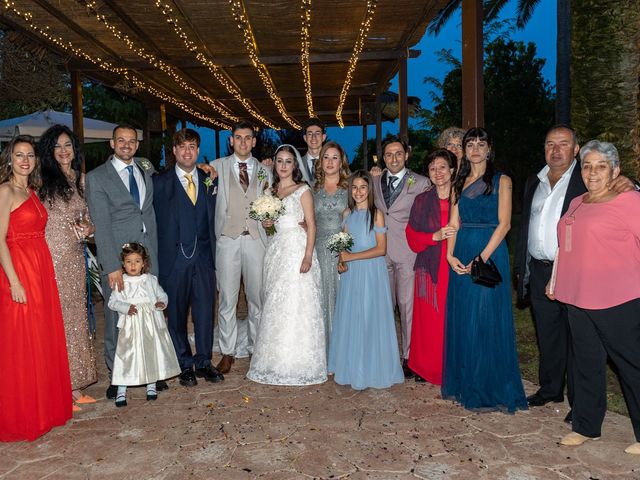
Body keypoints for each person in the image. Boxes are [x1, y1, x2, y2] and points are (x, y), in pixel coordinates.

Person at [513, 125, 635, 420]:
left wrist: (631, 182)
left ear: (576, 149)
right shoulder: (535, 181)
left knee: (579, 339)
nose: (555, 150)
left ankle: (579, 402)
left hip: (577, 271)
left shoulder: (585, 181)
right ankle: (550, 388)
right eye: (550, 144)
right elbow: (527, 224)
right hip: (542, 269)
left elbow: (622, 195)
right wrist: (522, 267)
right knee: (549, 334)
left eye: (563, 144)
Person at [547, 141, 640, 454]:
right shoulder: (577, 201)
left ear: (615, 170)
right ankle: (587, 426)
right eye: (587, 165)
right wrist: (556, 279)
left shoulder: (629, 201)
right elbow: (566, 246)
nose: (592, 172)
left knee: (632, 365)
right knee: (586, 364)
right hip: (577, 297)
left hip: (619, 299)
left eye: (601, 165)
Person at [442, 127, 527, 413]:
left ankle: (488, 388)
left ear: (489, 148)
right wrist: (449, 254)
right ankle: (464, 383)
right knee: (465, 319)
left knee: (485, 319)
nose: (475, 149)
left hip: (489, 252)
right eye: (470, 144)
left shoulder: (502, 180)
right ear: (464, 150)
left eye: (481, 144)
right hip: (462, 250)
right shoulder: (459, 180)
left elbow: (505, 224)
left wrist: (481, 258)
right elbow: (454, 221)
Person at [0, 135, 72, 441]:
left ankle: (46, 407)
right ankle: (24, 415)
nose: (25, 160)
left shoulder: (31, 191)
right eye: (19, 155)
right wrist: (14, 281)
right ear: (9, 159)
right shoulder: (4, 191)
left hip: (40, 269)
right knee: (22, 343)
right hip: (19, 271)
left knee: (41, 339)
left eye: (30, 155)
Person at [86, 124, 161, 399]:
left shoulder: (145, 169)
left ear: (137, 145)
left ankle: (151, 370)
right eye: (121, 140)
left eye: (131, 141)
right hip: (117, 258)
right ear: (111, 143)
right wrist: (111, 266)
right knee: (118, 318)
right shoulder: (98, 177)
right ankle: (117, 376)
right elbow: (102, 225)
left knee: (149, 314)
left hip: (149, 255)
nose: (126, 145)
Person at [247, 145, 326, 385]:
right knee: (275, 303)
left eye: (288, 161)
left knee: (297, 302)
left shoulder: (303, 190)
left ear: (295, 165)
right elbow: (270, 228)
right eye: (279, 161)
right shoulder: (270, 191)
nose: (283, 166)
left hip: (296, 249)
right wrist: (268, 222)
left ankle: (298, 361)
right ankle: (274, 358)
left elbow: (311, 224)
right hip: (276, 251)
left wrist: (308, 256)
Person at [153, 128, 223, 386]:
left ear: (197, 150)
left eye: (192, 146)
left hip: (204, 257)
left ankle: (204, 361)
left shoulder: (210, 179)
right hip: (174, 260)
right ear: (173, 151)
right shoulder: (158, 182)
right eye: (182, 147)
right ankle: (184, 364)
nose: (187, 151)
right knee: (177, 313)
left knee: (206, 312)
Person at [38, 125, 98, 410]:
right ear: (50, 151)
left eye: (68, 145)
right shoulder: (40, 180)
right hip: (48, 257)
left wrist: (90, 229)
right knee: (55, 322)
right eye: (57, 146)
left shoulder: (82, 180)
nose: (64, 151)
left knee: (76, 321)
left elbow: (91, 220)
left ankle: (74, 384)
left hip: (75, 258)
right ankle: (57, 385)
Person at [329, 170, 404, 390]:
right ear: (349, 190)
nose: (358, 192)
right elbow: (344, 245)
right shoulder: (346, 214)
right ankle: (353, 367)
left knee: (370, 316)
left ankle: (373, 368)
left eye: (363, 187)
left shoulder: (377, 214)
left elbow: (381, 249)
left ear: (369, 190)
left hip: (372, 272)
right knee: (353, 317)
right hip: (352, 274)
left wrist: (352, 257)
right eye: (354, 187)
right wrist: (342, 261)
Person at [210, 120, 272, 374]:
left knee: (257, 297)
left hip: (257, 241)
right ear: (231, 140)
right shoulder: (216, 167)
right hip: (228, 239)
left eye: (248, 138)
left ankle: (257, 349)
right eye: (238, 137)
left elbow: (271, 205)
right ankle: (228, 352)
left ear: (254, 141)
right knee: (227, 299)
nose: (243, 142)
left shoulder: (265, 171)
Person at [372, 136, 430, 378]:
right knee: (384, 307)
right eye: (388, 154)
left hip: (408, 253)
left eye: (398, 153)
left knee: (407, 307)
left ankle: (408, 357)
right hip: (380, 253)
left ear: (407, 154)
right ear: (382, 158)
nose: (393, 158)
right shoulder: (374, 179)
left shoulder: (421, 182)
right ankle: (386, 354)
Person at [405, 149, 457, 385]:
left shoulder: (463, 197)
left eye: (442, 167)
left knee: (452, 318)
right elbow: (411, 237)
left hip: (455, 266)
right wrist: (433, 236)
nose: (438, 172)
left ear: (453, 170)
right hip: (429, 268)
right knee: (429, 321)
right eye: (432, 168)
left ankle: (452, 367)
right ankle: (426, 368)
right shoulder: (422, 200)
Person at [108, 243, 181, 407]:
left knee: (150, 352)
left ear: (144, 263)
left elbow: (161, 294)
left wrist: (161, 303)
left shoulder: (150, 280)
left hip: (149, 323)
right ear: (123, 263)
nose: (133, 265)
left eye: (137, 261)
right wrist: (125, 307)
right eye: (129, 261)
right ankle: (121, 389)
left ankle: (151, 385)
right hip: (131, 324)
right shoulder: (122, 281)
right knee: (127, 355)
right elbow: (113, 302)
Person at [313, 141, 350, 347]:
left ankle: (343, 349)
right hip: (318, 250)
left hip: (342, 250)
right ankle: (324, 350)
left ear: (341, 162)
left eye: (334, 157)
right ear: (320, 161)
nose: (330, 161)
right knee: (321, 299)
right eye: (326, 157)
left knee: (343, 298)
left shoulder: (351, 187)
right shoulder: (312, 188)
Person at [299, 117, 326, 187]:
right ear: (305, 138)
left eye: (317, 133)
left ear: (323, 137)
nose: (313, 137)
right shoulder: (297, 163)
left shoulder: (334, 163)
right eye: (310, 134)